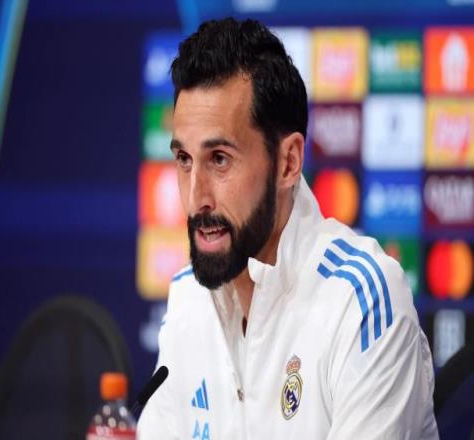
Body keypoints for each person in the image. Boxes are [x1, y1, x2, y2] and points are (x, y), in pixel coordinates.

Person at [138, 17, 438, 439]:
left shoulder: (361, 301)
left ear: (288, 162)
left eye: (219, 159)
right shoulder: (187, 296)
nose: (194, 198)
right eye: (184, 160)